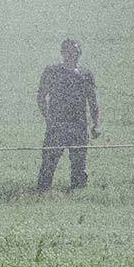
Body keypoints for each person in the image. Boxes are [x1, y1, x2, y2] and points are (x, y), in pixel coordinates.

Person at [36, 39, 101, 191]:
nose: (72, 55)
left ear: (80, 53)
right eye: (68, 51)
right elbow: (41, 97)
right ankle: (42, 193)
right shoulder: (52, 72)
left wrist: (96, 124)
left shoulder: (85, 75)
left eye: (75, 52)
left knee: (79, 165)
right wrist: (48, 118)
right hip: (57, 126)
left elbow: (93, 101)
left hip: (79, 126)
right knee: (49, 163)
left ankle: (78, 195)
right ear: (62, 53)